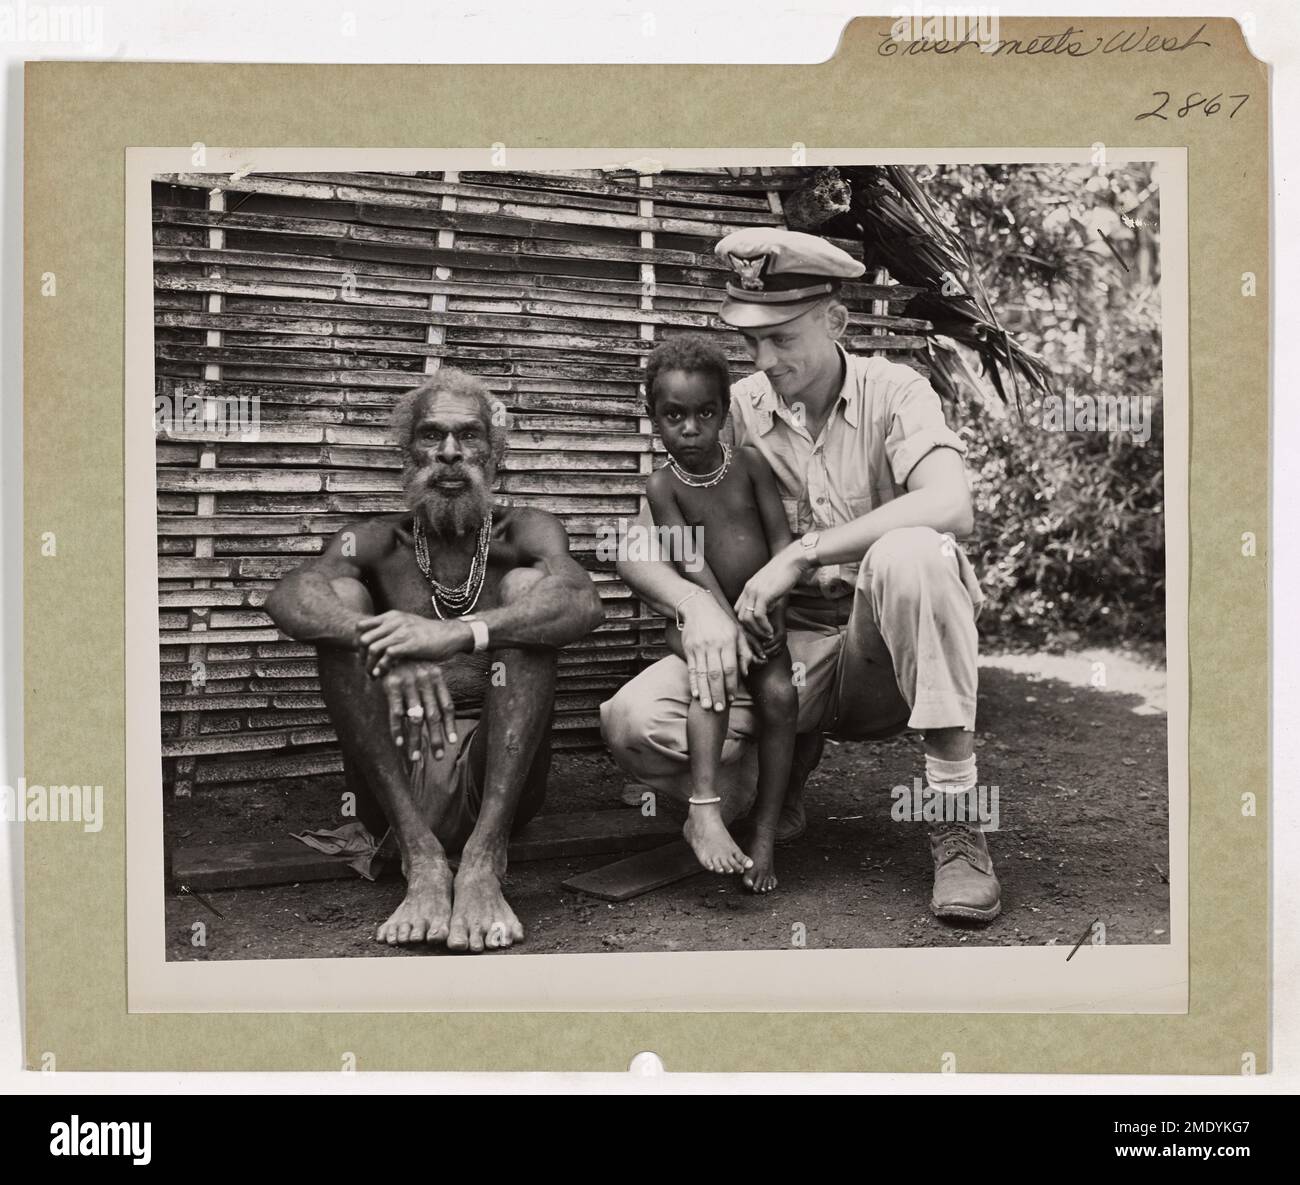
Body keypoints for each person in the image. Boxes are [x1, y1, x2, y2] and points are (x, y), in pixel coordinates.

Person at [601, 227, 1001, 922]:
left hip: (879, 652)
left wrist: (804, 551)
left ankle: (956, 819)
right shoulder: (739, 408)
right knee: (631, 721)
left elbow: (951, 504)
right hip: (780, 649)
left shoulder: (895, 391)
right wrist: (695, 603)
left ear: (836, 321)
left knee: (915, 551)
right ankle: (770, 792)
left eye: (782, 337)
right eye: (751, 339)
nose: (764, 358)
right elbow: (631, 544)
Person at [266, 369, 605, 951]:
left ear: (493, 453)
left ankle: (482, 859)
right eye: (431, 436)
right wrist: (383, 641)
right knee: (339, 602)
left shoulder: (525, 530)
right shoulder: (374, 539)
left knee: (533, 595)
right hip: (395, 779)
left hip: (498, 779)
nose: (450, 453)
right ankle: (421, 859)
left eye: (468, 436)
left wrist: (455, 636)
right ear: (408, 453)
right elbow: (289, 596)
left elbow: (581, 600)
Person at [642, 334, 796, 893]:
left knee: (782, 697)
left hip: (763, 615)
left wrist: (769, 608)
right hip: (703, 617)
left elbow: (782, 543)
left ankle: (764, 834)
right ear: (653, 419)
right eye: (674, 415)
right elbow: (690, 567)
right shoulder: (661, 487)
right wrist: (725, 625)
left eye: (705, 413)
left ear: (724, 413)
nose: (691, 428)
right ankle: (704, 809)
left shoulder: (751, 466)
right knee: (714, 673)